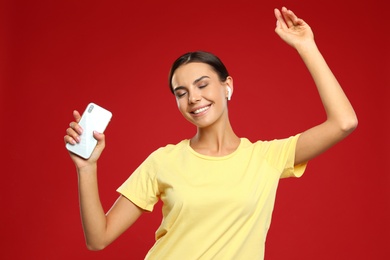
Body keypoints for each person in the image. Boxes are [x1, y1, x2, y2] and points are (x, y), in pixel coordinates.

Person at [64, 7, 357, 259]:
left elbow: (344, 122)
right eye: (182, 92)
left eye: (203, 85)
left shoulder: (266, 157)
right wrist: (87, 168)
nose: (193, 98)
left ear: (227, 86)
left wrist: (306, 46)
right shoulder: (163, 161)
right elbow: (98, 238)